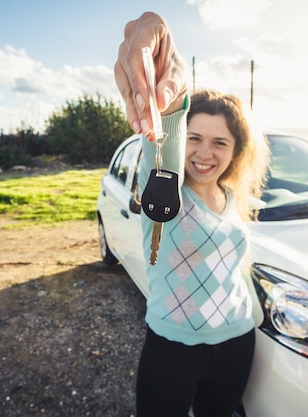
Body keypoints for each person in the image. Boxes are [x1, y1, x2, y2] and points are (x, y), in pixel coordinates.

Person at [114, 11, 269, 417]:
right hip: (172, 347)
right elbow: (165, 132)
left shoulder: (232, 197)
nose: (205, 153)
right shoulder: (166, 192)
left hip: (237, 341)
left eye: (221, 142)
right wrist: (171, 73)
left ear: (236, 151)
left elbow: (235, 270)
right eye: (195, 138)